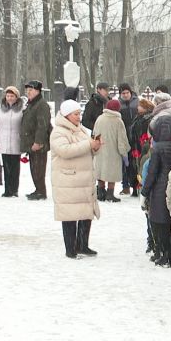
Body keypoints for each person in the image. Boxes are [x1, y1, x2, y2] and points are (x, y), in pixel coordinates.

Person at [50, 99, 102, 258]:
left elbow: (86, 150)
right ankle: (70, 248)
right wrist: (88, 145)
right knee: (70, 215)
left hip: (83, 179)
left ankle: (83, 245)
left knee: (85, 213)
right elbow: (65, 151)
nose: (79, 117)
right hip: (68, 180)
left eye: (79, 114)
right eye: (76, 114)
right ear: (66, 115)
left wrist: (95, 147)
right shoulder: (58, 132)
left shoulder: (80, 130)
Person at [142, 107, 171, 267]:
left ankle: (163, 254)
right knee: (170, 223)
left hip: (159, 189)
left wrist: (145, 191)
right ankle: (170, 255)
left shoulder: (157, 150)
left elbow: (152, 173)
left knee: (160, 224)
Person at [92, 99, 130, 202]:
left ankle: (100, 192)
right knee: (111, 173)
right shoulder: (118, 121)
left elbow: (94, 134)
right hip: (113, 152)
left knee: (101, 171)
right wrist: (124, 154)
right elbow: (121, 140)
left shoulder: (100, 118)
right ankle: (110, 194)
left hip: (100, 150)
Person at [20, 80, 52, 200]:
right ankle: (37, 189)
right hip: (31, 141)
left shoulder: (41, 105)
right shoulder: (31, 104)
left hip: (38, 143)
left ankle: (41, 191)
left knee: (39, 168)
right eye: (27, 90)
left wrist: (38, 142)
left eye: (31, 90)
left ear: (38, 91)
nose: (28, 92)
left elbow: (42, 125)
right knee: (34, 167)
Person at [0, 86, 24, 197]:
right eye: (8, 96)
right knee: (6, 167)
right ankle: (7, 190)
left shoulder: (22, 110)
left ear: (16, 97)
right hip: (3, 142)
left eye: (12, 96)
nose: (10, 98)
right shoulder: (0, 109)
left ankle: (14, 189)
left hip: (16, 141)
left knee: (15, 168)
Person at [117, 84, 139, 195]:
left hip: (136, 136)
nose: (125, 95)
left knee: (135, 162)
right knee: (124, 163)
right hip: (123, 136)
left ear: (131, 93)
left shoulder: (137, 102)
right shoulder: (118, 104)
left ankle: (136, 186)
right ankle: (125, 186)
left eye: (127, 93)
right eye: (123, 93)